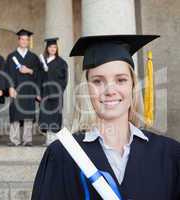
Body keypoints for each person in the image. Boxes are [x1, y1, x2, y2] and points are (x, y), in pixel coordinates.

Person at [31, 35, 180, 200]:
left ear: (133, 86)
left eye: (121, 80)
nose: (110, 90)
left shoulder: (170, 154)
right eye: (98, 81)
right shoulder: (61, 155)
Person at [6, 29, 42, 147]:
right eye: (22, 39)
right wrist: (10, 87)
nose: (24, 41)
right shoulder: (11, 57)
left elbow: (39, 74)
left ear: (28, 41)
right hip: (15, 90)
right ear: (18, 40)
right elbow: (7, 74)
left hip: (28, 90)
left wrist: (29, 70)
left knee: (28, 115)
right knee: (15, 115)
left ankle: (27, 140)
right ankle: (14, 139)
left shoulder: (33, 57)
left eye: (26, 39)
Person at [38, 38, 68, 146]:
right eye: (50, 47)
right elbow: (38, 78)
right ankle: (48, 140)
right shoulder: (42, 62)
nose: (52, 49)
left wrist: (59, 90)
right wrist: (38, 92)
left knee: (55, 116)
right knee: (46, 116)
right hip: (45, 93)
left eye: (54, 47)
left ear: (57, 48)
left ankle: (54, 141)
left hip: (56, 93)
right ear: (47, 48)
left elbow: (65, 79)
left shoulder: (62, 62)